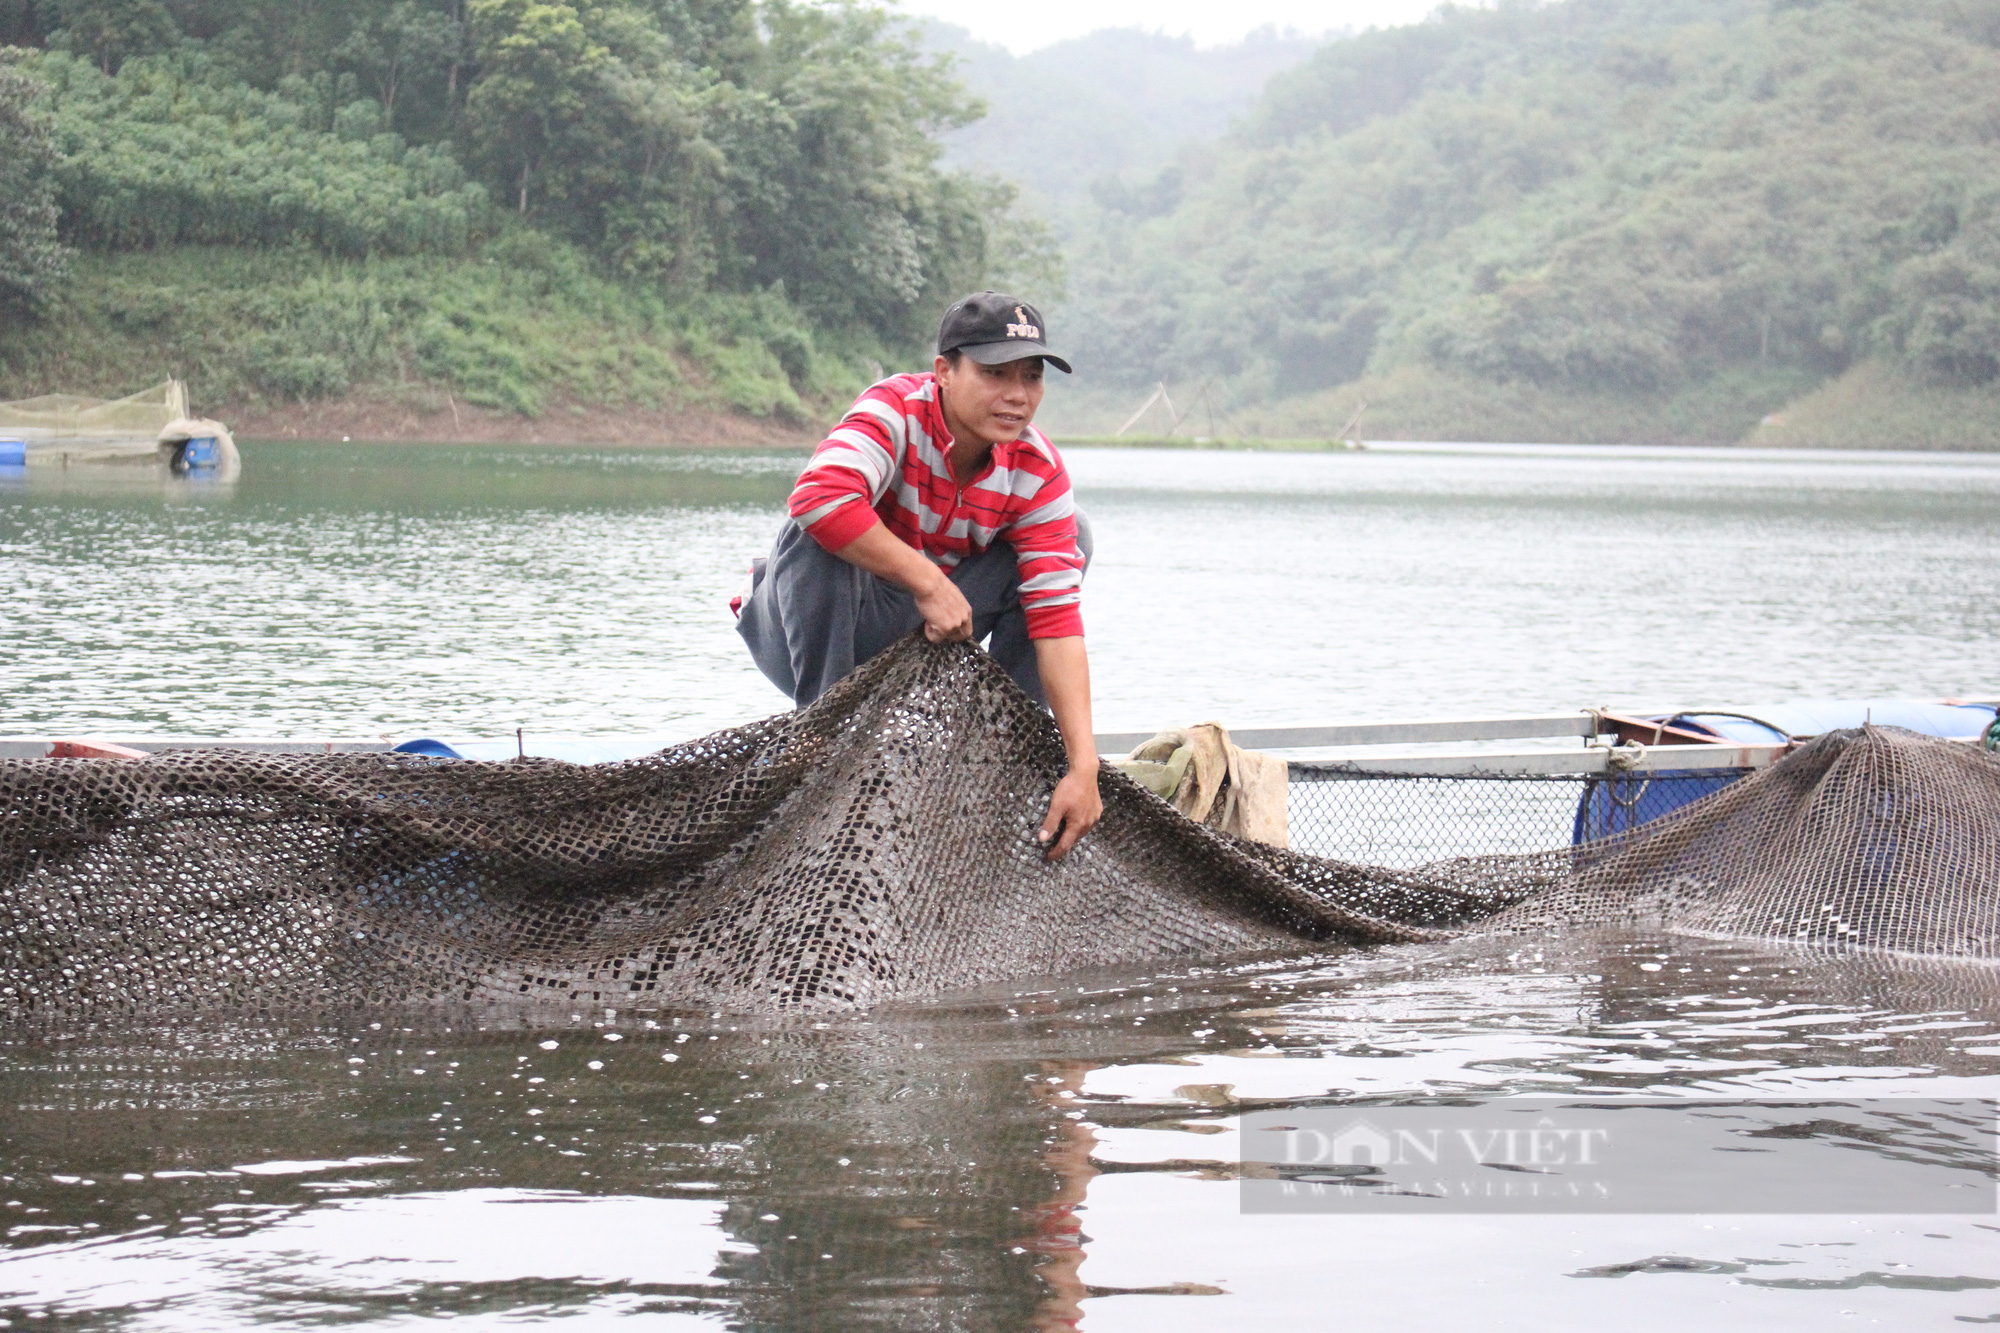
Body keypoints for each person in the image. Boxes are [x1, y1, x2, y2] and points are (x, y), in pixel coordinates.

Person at [735, 291, 1102, 861]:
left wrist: (1084, 766)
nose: (1016, 395)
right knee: (819, 525)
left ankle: (996, 764)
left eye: (1031, 377)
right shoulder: (896, 411)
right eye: (994, 373)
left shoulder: (1037, 471)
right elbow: (818, 497)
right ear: (944, 373)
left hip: (920, 645)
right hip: (806, 638)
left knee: (1072, 537)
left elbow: (1056, 622)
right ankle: (819, 751)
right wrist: (928, 582)